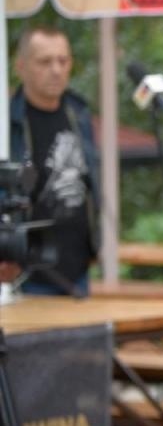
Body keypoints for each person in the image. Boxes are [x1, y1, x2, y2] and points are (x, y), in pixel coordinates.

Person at [7, 28, 100, 296]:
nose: (56, 70)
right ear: (21, 67)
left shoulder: (79, 114)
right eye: (45, 61)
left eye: (63, 60)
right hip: (27, 277)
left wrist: (98, 243)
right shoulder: (9, 124)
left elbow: (91, 182)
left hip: (78, 272)